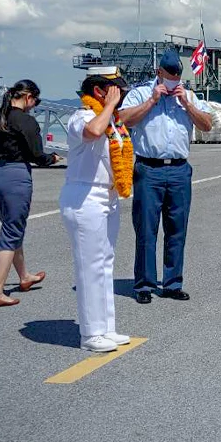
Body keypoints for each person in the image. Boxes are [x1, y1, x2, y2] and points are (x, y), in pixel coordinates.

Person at [117, 49, 214, 304]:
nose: (173, 82)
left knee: (177, 229)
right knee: (147, 230)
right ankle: (145, 284)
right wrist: (152, 100)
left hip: (180, 169)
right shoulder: (140, 92)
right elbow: (124, 119)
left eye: (177, 78)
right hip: (149, 169)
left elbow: (207, 125)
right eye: (169, 77)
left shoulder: (188, 95)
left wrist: (187, 105)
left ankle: (172, 283)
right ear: (159, 73)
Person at [61, 67, 134, 353]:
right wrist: (111, 105)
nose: (120, 96)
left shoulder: (111, 120)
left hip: (107, 197)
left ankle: (106, 327)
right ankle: (90, 334)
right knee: (90, 266)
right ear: (98, 91)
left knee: (105, 264)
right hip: (84, 197)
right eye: (114, 91)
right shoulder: (83, 116)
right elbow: (92, 132)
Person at [0, 79, 59, 308]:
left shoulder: (0, 117)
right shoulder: (25, 120)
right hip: (15, 176)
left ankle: (24, 276)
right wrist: (52, 158)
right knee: (11, 231)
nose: (34, 106)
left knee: (12, 227)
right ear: (28, 98)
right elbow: (37, 154)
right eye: (34, 101)